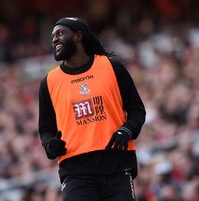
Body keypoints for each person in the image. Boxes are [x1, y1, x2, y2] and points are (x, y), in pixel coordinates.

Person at [38, 17, 146, 201]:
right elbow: (46, 129)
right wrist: (50, 144)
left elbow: (137, 109)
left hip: (117, 165)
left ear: (78, 36)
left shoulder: (112, 67)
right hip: (75, 171)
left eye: (60, 33)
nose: (54, 39)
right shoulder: (49, 82)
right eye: (52, 36)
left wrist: (127, 130)